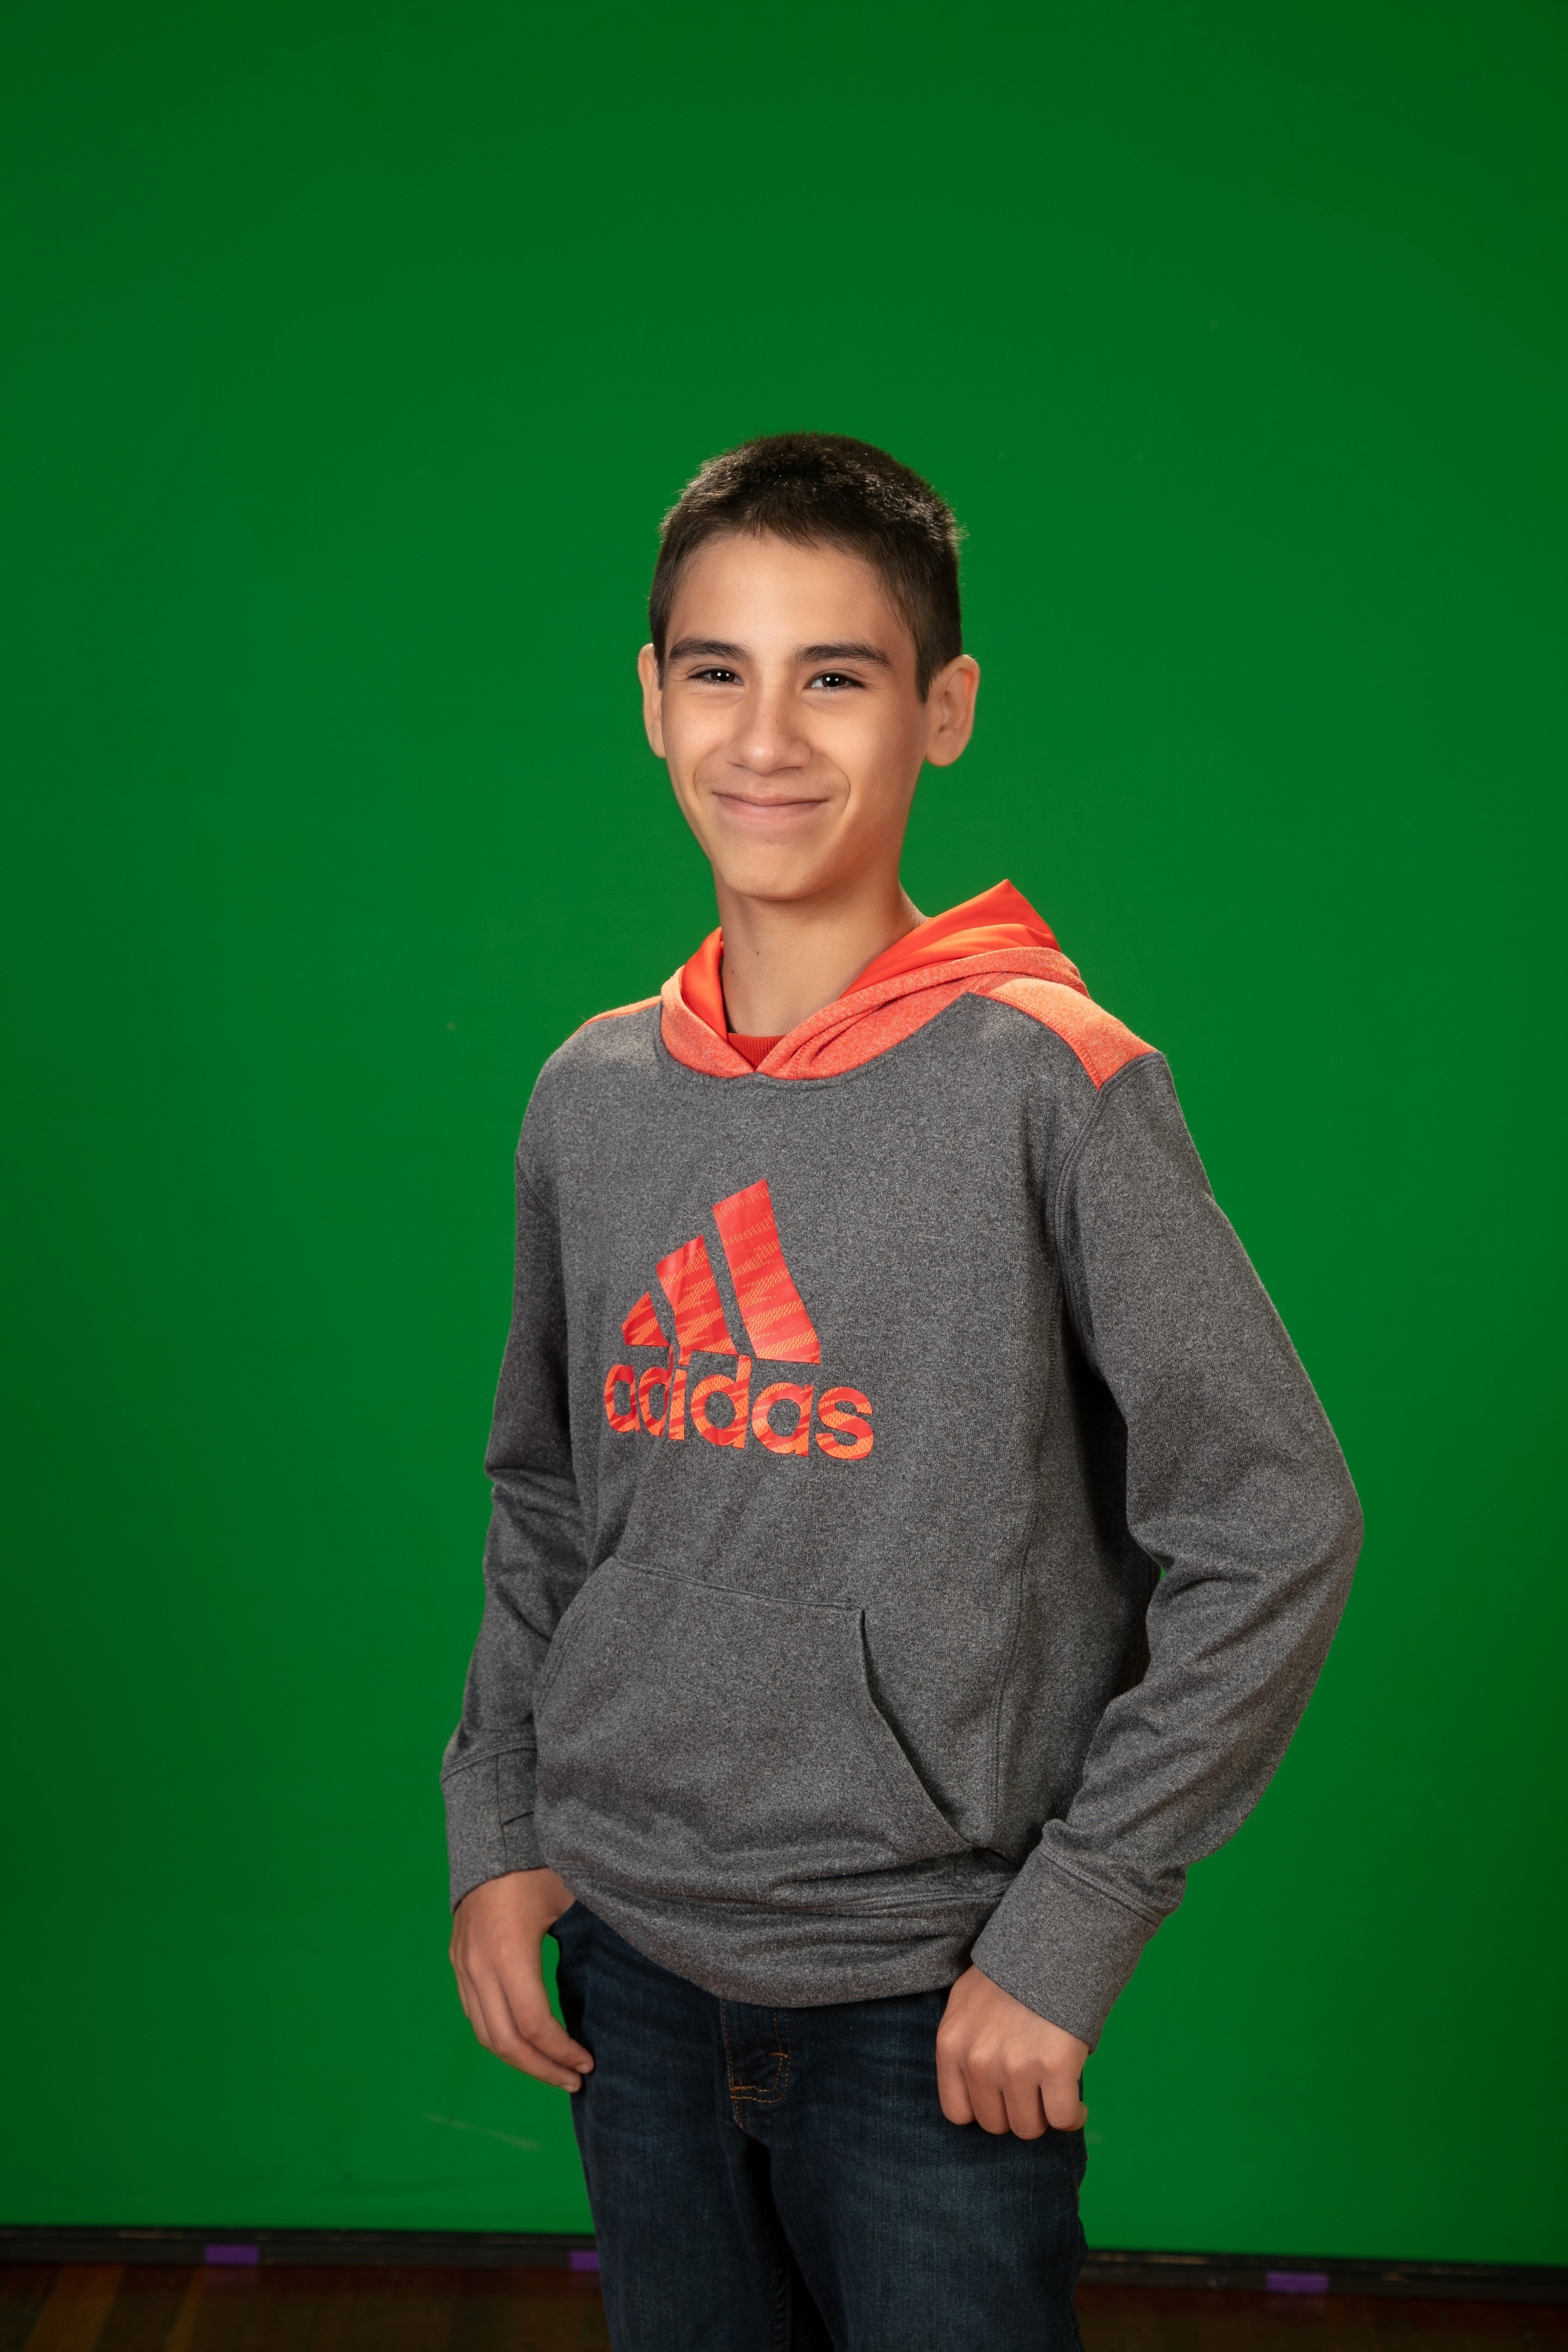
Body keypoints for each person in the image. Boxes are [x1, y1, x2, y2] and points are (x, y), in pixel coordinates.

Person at [442, 433, 1361, 2351]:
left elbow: (1276, 1526)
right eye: (720, 671)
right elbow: (547, 1501)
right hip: (633, 1969)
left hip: (929, 2007)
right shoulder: (590, 1096)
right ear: (652, 698)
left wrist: (1073, 1926)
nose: (767, 738)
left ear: (942, 711)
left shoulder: (1053, 1083)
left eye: (837, 677)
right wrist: (502, 1824)